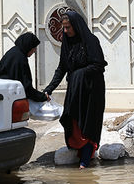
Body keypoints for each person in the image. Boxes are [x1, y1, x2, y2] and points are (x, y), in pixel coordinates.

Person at [43, 11, 107, 169]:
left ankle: (85, 159)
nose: (65, 31)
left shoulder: (91, 41)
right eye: (63, 28)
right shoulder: (67, 43)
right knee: (72, 120)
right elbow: (62, 68)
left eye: (68, 28)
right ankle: (80, 152)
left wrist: (80, 74)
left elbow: (98, 64)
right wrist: (49, 89)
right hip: (75, 90)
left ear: (77, 26)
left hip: (91, 90)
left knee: (88, 124)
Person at [0, 32, 49, 102]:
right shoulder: (20, 59)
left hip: (2, 93)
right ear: (28, 46)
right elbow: (26, 88)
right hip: (9, 98)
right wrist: (43, 97)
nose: (34, 51)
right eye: (34, 48)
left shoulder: (13, 52)